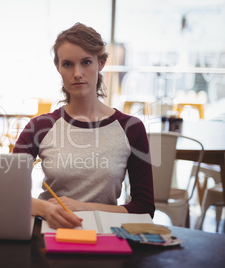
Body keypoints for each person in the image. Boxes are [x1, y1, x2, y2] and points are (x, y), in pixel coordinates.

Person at [13, 23, 155, 229]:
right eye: (68, 64)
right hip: (49, 232)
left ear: (101, 63)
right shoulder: (40, 126)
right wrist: (46, 209)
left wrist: (84, 207)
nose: (77, 73)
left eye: (86, 62)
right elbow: (9, 193)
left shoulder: (131, 128)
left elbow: (144, 208)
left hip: (105, 234)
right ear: (58, 68)